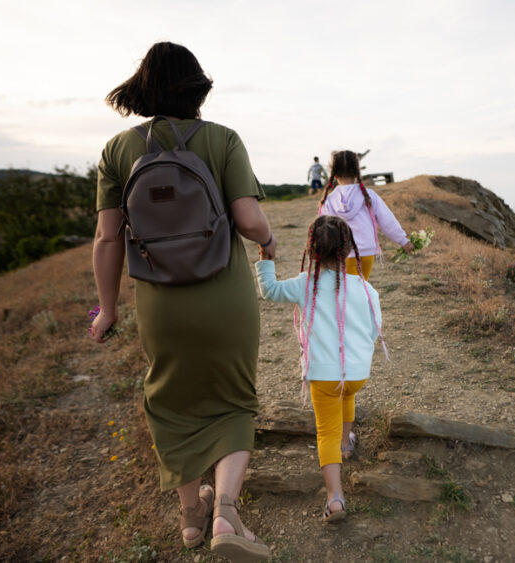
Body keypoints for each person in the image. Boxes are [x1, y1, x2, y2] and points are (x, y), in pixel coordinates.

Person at [90, 41, 272, 561]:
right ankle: (227, 512)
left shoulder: (118, 151)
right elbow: (249, 220)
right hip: (224, 293)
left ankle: (192, 516)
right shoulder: (222, 140)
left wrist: (108, 310)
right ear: (197, 88)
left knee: (170, 399)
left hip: (159, 299)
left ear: (142, 90)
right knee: (234, 396)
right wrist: (268, 242)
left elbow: (107, 240)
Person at [254, 215, 385, 523]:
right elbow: (374, 329)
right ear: (348, 248)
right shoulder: (366, 289)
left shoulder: (305, 284)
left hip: (323, 375)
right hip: (357, 374)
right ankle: (346, 443)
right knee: (347, 394)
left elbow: (270, 291)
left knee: (324, 430)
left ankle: (335, 498)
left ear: (311, 250)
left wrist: (265, 260)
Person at [318, 150, 413, 280]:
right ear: (357, 172)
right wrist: (403, 240)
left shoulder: (329, 200)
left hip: (341, 254)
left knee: (345, 292)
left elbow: (323, 230)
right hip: (366, 251)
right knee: (360, 288)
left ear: (334, 174)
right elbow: (387, 220)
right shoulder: (368, 195)